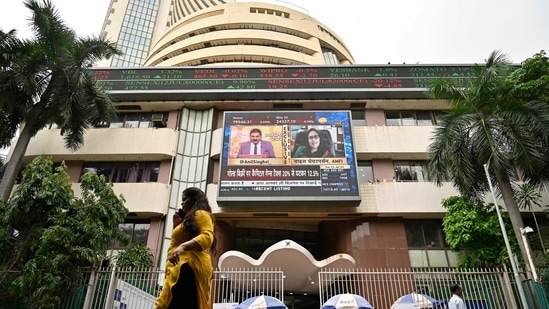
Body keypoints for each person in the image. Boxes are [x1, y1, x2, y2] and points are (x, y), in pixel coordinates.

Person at [154, 187, 216, 309]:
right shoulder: (185, 221)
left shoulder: (201, 214)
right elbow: (176, 242)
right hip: (179, 269)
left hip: (189, 267)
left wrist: (183, 247)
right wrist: (177, 224)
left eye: (184, 199)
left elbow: (207, 236)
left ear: (194, 200)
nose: (182, 203)